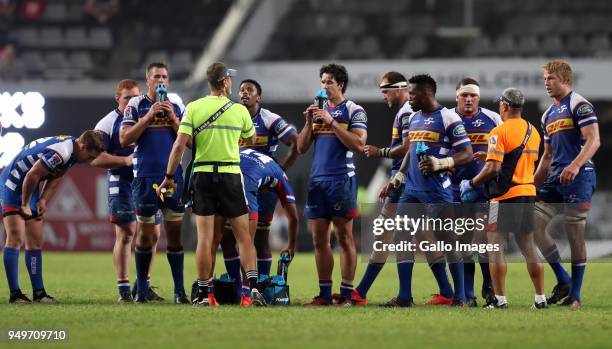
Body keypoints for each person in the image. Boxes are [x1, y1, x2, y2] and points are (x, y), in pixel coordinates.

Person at [157, 62, 264, 307]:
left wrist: (169, 176)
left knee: (205, 238)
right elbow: (252, 138)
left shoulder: (194, 107)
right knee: (243, 237)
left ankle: (204, 294)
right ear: (225, 82)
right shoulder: (239, 111)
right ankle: (254, 289)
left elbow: (178, 146)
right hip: (230, 175)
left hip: (203, 176)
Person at [381, 74, 473, 306]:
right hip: (412, 189)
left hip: (437, 191)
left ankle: (460, 297)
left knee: (447, 242)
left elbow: (467, 153)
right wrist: (398, 178)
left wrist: (441, 163)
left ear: (427, 93)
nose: (409, 97)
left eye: (412, 93)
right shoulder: (413, 118)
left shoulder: (448, 118)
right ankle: (404, 296)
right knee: (402, 237)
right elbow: (411, 150)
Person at [461, 88, 546, 309]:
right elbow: (518, 161)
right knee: (529, 246)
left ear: (506, 106)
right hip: (527, 193)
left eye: (501, 104)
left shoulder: (498, 132)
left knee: (494, 246)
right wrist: (489, 157)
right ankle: (540, 298)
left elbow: (493, 169)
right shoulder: (533, 130)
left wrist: (471, 183)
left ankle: (499, 299)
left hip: (502, 197)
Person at [1, 131, 105, 303]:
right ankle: (15, 294)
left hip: (30, 184)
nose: (90, 161)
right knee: (15, 237)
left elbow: (57, 175)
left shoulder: (73, 151)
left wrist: (42, 199)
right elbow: (32, 175)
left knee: (35, 239)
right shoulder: (62, 151)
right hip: (13, 181)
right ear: (83, 147)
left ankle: (39, 293)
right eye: (89, 156)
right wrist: (25, 204)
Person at [296, 63, 367, 306]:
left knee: (345, 239)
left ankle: (346, 295)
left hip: (341, 180)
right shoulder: (317, 112)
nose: (324, 86)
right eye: (322, 82)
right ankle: (325, 295)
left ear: (341, 85)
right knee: (319, 241)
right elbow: (301, 148)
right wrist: (308, 122)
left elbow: (359, 145)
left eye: (329, 82)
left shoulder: (354, 110)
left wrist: (332, 122)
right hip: (317, 182)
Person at [119, 62, 188, 304]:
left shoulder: (177, 104)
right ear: (147, 80)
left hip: (172, 178)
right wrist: (148, 117)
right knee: (145, 237)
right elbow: (125, 138)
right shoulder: (136, 106)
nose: (161, 80)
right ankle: (141, 291)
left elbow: (189, 142)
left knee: (175, 237)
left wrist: (172, 119)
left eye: (165, 77)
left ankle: (180, 292)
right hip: (145, 178)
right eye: (156, 76)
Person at [533, 60, 600, 308]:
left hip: (579, 177)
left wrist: (575, 165)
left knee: (575, 235)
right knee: (533, 224)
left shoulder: (579, 105)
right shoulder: (548, 114)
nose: (546, 83)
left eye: (550, 78)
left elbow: (594, 141)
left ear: (564, 79)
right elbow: (547, 156)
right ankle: (563, 279)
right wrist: (532, 184)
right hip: (555, 178)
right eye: (545, 79)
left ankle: (576, 296)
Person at [219, 79, 299, 284]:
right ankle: (237, 284)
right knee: (227, 237)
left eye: (249, 90)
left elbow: (295, 141)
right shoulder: (232, 116)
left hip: (263, 185)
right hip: (234, 181)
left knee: (260, 237)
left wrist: (281, 168)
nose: (244, 93)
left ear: (258, 97)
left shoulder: (269, 118)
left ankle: (261, 283)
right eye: (241, 90)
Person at [346, 71, 412, 306]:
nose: (383, 96)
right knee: (395, 235)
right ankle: (362, 291)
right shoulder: (405, 112)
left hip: (408, 184)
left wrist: (380, 152)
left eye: (385, 91)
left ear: (398, 89)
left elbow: (408, 149)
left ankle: (369, 292)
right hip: (403, 180)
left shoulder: (407, 113)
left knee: (400, 236)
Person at [92, 79, 154, 303]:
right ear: (117, 98)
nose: (131, 101)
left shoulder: (146, 118)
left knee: (150, 234)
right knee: (127, 232)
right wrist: (126, 160)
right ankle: (124, 289)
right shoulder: (107, 124)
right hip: (122, 181)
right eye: (127, 97)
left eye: (135, 97)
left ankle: (143, 286)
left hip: (146, 181)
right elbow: (95, 157)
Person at [211, 148, 299, 304]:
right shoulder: (280, 175)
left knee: (214, 239)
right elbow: (293, 217)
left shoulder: (244, 150)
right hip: (246, 183)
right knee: (246, 241)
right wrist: (291, 246)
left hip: (219, 176)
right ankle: (247, 293)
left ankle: (207, 291)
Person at [451, 78, 502, 307]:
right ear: (457, 97)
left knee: (483, 239)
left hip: (486, 190)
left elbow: (506, 148)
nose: (469, 99)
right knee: (463, 242)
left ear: (478, 98)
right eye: (464, 95)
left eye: (473, 95)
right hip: (456, 190)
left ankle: (489, 287)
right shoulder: (448, 119)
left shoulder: (493, 119)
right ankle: (468, 294)